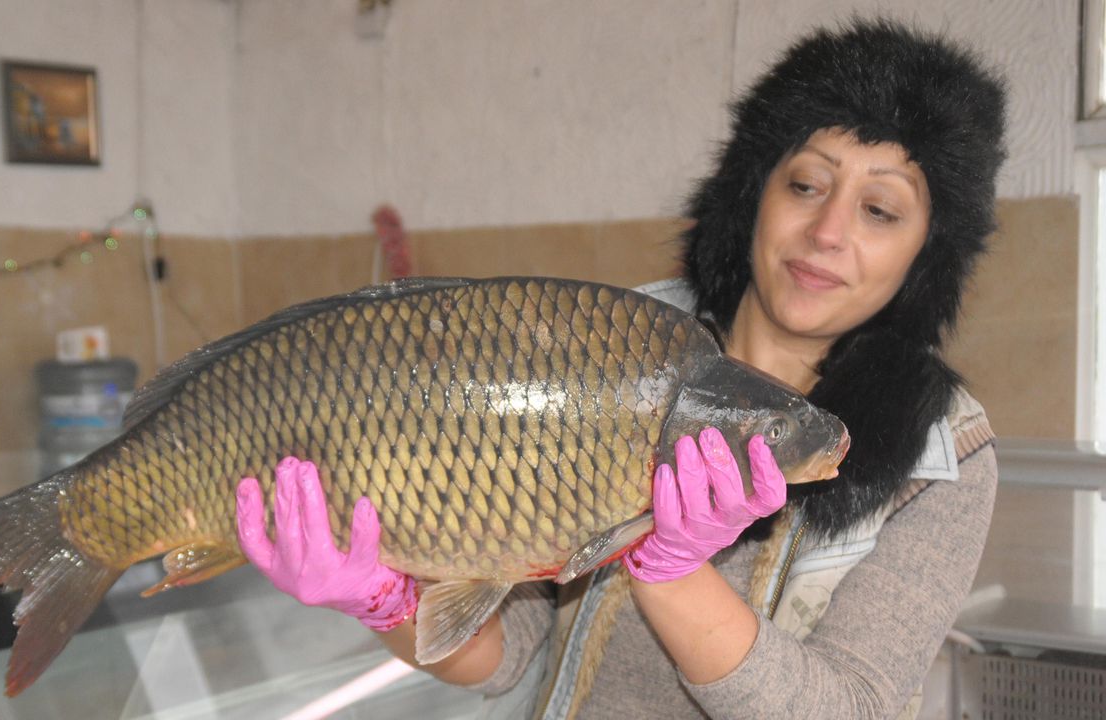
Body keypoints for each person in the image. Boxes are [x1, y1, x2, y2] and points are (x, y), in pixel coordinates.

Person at [234, 17, 1006, 719]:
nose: (828, 230)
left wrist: (672, 572)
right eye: (805, 184)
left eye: (880, 210)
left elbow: (854, 708)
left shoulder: (946, 456)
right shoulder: (609, 349)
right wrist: (381, 599)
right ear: (753, 195)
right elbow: (507, 657)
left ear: (926, 250)